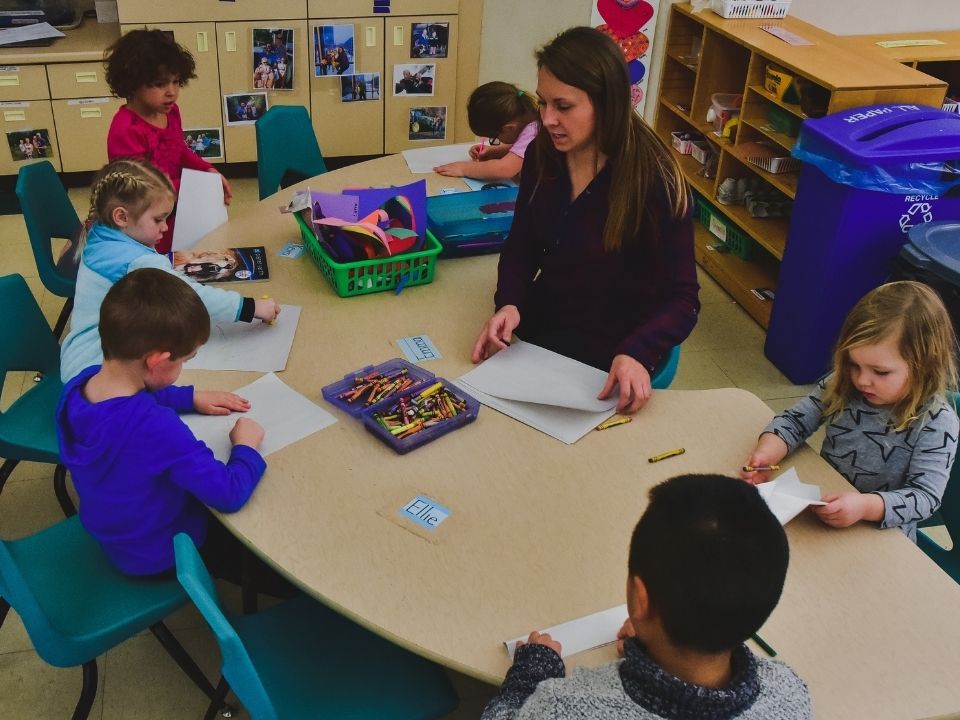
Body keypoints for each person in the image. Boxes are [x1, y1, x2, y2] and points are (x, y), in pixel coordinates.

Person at [471, 27, 699, 414]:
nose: (547, 120)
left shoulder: (655, 181)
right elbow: (522, 245)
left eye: (563, 106)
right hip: (550, 323)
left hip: (618, 342)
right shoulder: (545, 154)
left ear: (605, 102)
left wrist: (637, 352)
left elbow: (683, 300)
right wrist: (509, 303)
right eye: (543, 103)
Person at [482, 474, 811, 719]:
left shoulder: (562, 707)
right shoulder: (790, 693)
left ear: (641, 600)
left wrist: (532, 671)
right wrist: (650, 652)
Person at [56, 268, 266, 578]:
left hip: (119, 538)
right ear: (157, 361)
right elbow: (228, 493)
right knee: (261, 551)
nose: (185, 365)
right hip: (161, 554)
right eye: (185, 359)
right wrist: (246, 447)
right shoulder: (156, 427)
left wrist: (188, 398)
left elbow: (130, 397)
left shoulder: (78, 389)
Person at [741, 281, 959, 542]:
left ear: (924, 365)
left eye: (880, 372)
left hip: (883, 536)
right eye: (854, 364)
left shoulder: (936, 421)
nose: (862, 380)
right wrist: (767, 453)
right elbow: (794, 422)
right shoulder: (843, 382)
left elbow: (926, 497)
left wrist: (865, 506)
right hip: (826, 512)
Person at [60, 158, 280, 382]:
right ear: (122, 217)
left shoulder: (101, 232)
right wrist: (251, 308)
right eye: (158, 220)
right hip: (97, 373)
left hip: (77, 358)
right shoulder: (137, 262)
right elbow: (193, 298)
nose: (165, 227)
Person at [104, 28, 233, 255]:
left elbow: (179, 150)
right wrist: (196, 187)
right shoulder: (125, 129)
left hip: (176, 209)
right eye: (159, 84)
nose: (171, 92)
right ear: (132, 83)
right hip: (146, 221)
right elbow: (141, 189)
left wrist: (208, 170)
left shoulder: (171, 113)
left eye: (176, 82)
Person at [434, 81, 540, 181]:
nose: (496, 140)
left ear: (509, 128)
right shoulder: (534, 123)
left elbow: (504, 169)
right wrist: (495, 151)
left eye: (494, 137)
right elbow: (525, 150)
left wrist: (464, 168)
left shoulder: (532, 131)